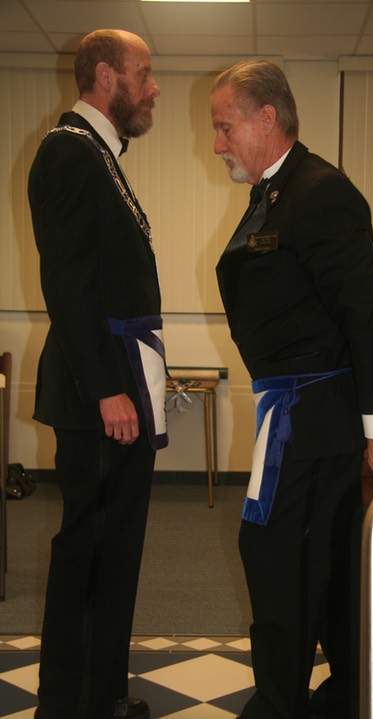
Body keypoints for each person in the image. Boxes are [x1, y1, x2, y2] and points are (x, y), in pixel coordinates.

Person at [211, 60, 373, 719]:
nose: (217, 143)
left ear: (266, 119)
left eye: (223, 126)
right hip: (295, 411)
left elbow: (367, 311)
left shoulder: (319, 190)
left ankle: (278, 704)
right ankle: (350, 689)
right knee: (319, 555)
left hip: (315, 411)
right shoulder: (274, 190)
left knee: (277, 555)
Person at [28, 29, 166, 719]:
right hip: (100, 393)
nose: (156, 87)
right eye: (146, 73)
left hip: (119, 384)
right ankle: (70, 703)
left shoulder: (99, 155)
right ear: (107, 76)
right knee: (89, 545)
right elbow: (70, 282)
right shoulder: (67, 152)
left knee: (115, 548)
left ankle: (102, 692)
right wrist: (108, 385)